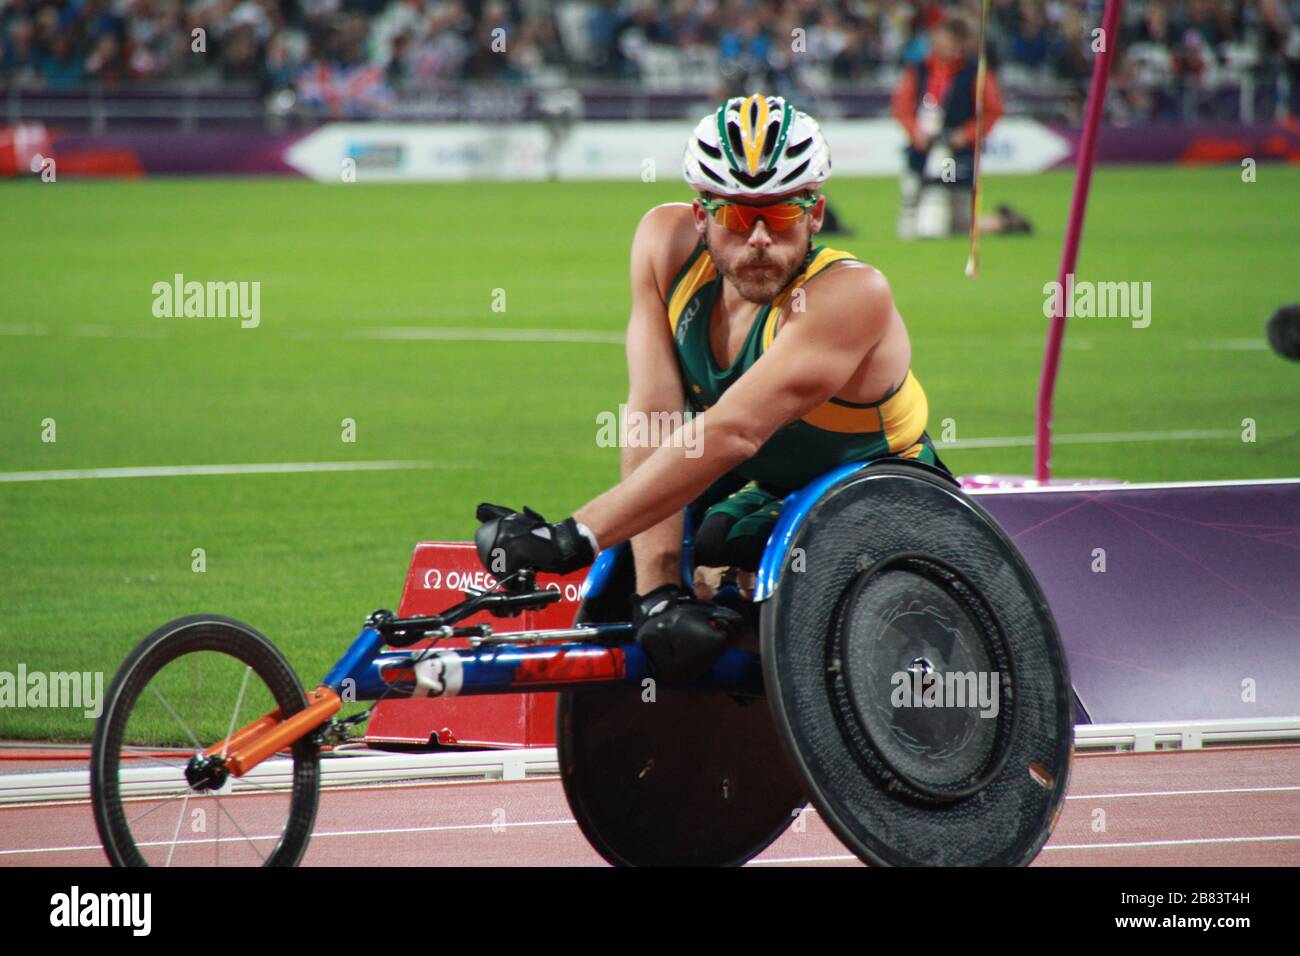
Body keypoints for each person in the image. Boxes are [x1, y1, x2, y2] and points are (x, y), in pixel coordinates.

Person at [475, 94, 948, 680]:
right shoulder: (664, 246)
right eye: (733, 216)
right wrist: (656, 596)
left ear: (816, 214)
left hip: (877, 492)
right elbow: (654, 416)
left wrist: (573, 538)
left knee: (731, 539)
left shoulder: (851, 296)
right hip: (761, 478)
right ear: (701, 216)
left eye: (779, 216)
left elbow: (734, 431)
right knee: (637, 576)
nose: (756, 239)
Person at [891, 16, 1031, 238]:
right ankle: (915, 226)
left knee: (960, 216)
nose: (943, 45)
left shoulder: (975, 73)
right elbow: (902, 105)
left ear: (960, 43)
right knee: (914, 188)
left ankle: (1001, 222)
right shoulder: (919, 70)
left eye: (949, 41)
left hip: (956, 149)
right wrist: (914, 131)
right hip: (923, 145)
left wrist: (966, 134)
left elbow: (992, 110)